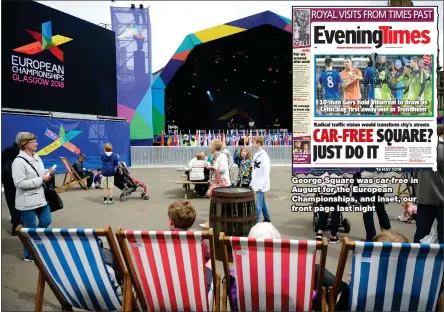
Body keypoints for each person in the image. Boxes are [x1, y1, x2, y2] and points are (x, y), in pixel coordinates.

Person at [314, 230, 409, 311]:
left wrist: (351, 283)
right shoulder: (414, 284)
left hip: (353, 301)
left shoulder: (362, 282)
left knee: (317, 270)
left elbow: (341, 307)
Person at [12, 132, 55, 262]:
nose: (36, 143)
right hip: (27, 201)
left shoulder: (37, 157)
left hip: (41, 198)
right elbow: (19, 183)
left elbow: (39, 174)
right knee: (29, 229)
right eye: (33, 141)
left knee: (46, 220)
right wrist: (41, 179)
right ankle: (28, 254)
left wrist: (47, 174)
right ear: (25, 144)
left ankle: (36, 240)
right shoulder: (18, 162)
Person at [413, 124, 444, 243]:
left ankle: (415, 259)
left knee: (421, 235)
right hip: (441, 201)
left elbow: (415, 174)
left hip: (424, 198)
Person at [354, 170, 392, 241]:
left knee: (368, 212)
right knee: (381, 210)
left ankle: (371, 238)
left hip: (367, 183)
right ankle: (388, 236)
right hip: (381, 183)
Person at [200, 139, 230, 228]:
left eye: (211, 145)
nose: (209, 146)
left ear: (215, 147)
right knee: (216, 203)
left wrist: (212, 167)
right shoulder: (217, 156)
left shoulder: (221, 156)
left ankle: (213, 223)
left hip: (222, 184)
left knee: (217, 203)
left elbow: (223, 169)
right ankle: (212, 222)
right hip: (219, 183)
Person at [315, 172, 352, 244]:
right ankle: (333, 236)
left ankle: (319, 232)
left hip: (323, 191)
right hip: (336, 191)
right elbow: (347, 176)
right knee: (336, 213)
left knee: (323, 211)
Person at [2, 132, 23, 235]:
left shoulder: (6, 151)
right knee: (18, 204)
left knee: (12, 203)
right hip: (17, 182)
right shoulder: (21, 152)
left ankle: (16, 223)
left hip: (8, 182)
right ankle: (17, 225)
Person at [250, 136, 271, 223]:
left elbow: (266, 172)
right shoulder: (256, 154)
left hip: (262, 183)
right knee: (262, 202)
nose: (252, 144)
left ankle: (256, 221)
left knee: (258, 203)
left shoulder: (264, 156)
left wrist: (262, 185)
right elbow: (255, 170)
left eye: (253, 142)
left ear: (258, 143)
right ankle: (267, 218)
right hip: (257, 182)